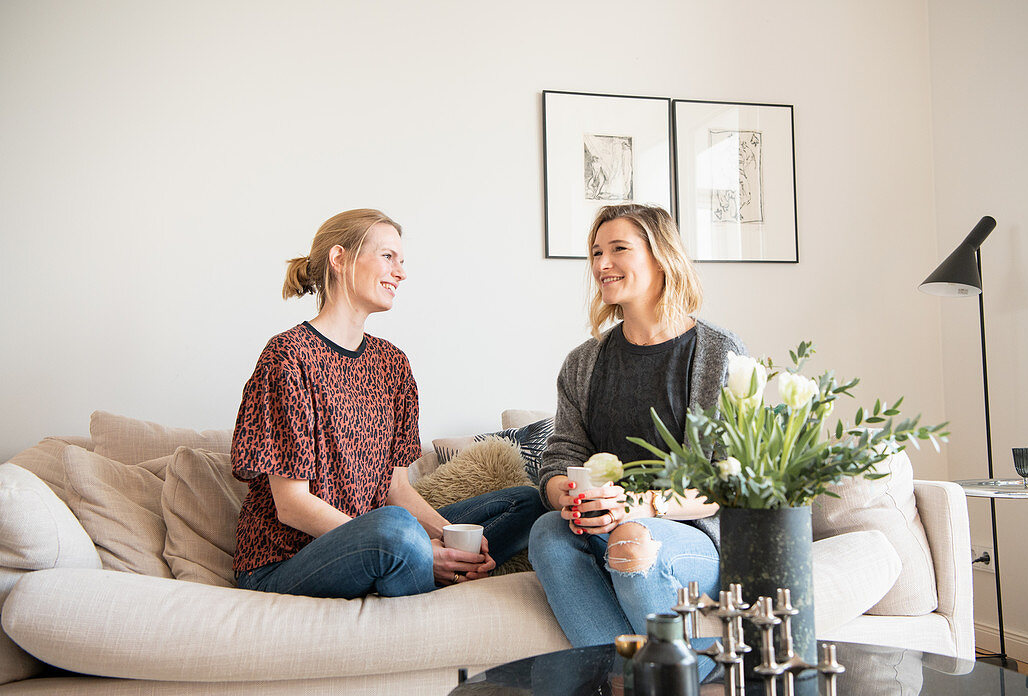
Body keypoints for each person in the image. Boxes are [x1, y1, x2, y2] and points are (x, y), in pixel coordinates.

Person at [231, 208, 543, 599]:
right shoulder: (288, 357)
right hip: (287, 562)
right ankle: (419, 566)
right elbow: (291, 505)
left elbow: (396, 489)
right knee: (395, 530)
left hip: (384, 538)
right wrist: (416, 547)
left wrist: (447, 540)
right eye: (387, 256)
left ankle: (436, 566)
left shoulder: (393, 364)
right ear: (340, 259)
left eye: (402, 260)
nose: (401, 272)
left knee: (527, 501)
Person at [528, 203, 747, 647]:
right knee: (547, 530)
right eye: (595, 252)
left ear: (660, 256)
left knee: (629, 538)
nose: (601, 264)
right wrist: (568, 497)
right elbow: (561, 457)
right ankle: (627, 684)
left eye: (618, 249)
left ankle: (671, 682)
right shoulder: (583, 363)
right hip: (604, 526)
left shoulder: (718, 355)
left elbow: (730, 480)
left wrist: (637, 508)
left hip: (693, 532)